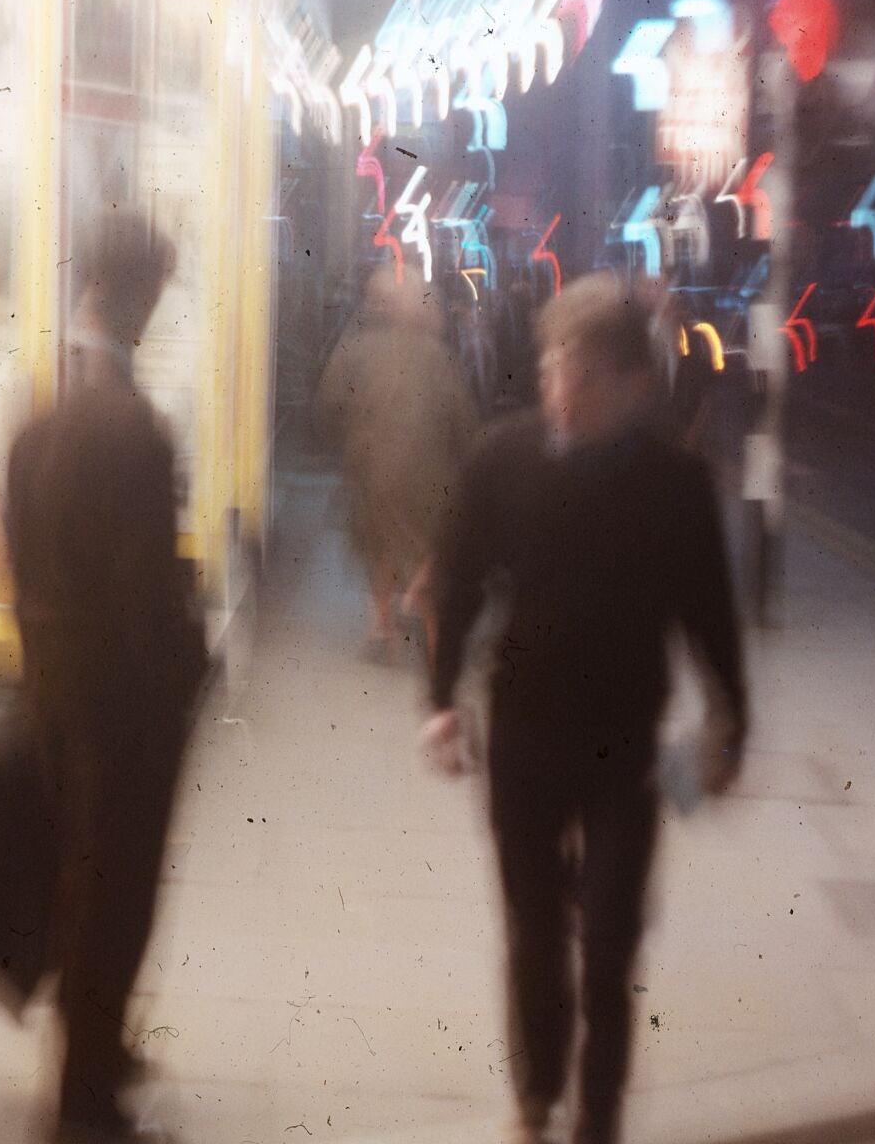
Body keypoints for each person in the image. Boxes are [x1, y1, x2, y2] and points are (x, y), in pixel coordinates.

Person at [423, 273, 749, 1144]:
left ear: (635, 385)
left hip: (624, 749)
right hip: (523, 738)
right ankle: (536, 1096)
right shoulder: (502, 459)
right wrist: (441, 698)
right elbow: (456, 583)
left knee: (608, 947)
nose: (560, 388)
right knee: (534, 934)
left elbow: (711, 615)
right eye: (550, 365)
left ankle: (597, 1119)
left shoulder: (675, 485)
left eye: (583, 373)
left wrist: (731, 721)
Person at [2, 209, 208, 1142]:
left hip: (54, 684)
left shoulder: (39, 426)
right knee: (117, 892)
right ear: (147, 300)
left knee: (79, 880)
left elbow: (20, 568)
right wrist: (188, 670)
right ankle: (85, 1101)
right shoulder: (138, 432)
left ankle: (96, 1056)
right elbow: (145, 599)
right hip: (124, 707)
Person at [314, 262, 477, 664]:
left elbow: (328, 407)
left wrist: (347, 441)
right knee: (427, 552)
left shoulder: (353, 349)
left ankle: (381, 626)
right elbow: (463, 422)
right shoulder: (438, 356)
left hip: (370, 470)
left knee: (380, 545)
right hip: (429, 476)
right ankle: (435, 649)